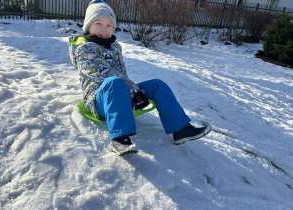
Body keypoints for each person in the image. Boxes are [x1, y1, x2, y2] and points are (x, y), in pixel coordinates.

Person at [69, 0, 211, 156]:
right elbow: (101, 74)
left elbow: (122, 74)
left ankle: (180, 129)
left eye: (109, 25)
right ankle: (120, 139)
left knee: (157, 85)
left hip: (123, 91)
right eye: (98, 23)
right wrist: (133, 90)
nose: (104, 29)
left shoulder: (115, 47)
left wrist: (133, 92)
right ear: (88, 25)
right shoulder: (84, 48)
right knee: (113, 82)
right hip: (99, 99)